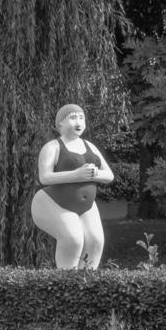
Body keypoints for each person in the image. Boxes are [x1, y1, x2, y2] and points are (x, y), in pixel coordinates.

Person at [31, 104, 114, 269]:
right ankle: (66, 283)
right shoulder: (53, 147)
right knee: (73, 239)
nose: (79, 122)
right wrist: (76, 175)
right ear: (60, 124)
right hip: (54, 203)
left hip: (87, 207)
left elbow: (109, 175)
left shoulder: (90, 146)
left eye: (82, 118)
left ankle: (87, 285)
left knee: (96, 241)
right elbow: (44, 177)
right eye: (73, 118)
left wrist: (93, 174)